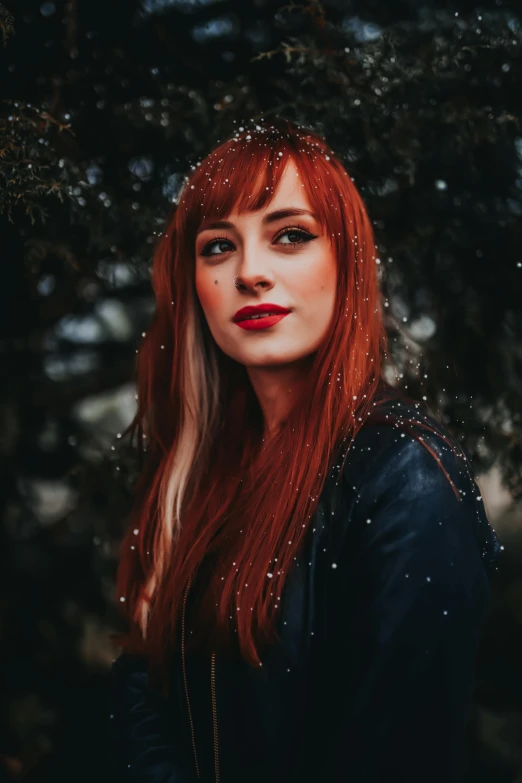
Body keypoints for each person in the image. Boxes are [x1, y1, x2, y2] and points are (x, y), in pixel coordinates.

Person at [108, 117, 501, 783]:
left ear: (345, 261)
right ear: (194, 284)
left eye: (290, 235)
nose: (250, 272)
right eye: (217, 247)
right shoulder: (204, 472)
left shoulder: (405, 477)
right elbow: (141, 705)